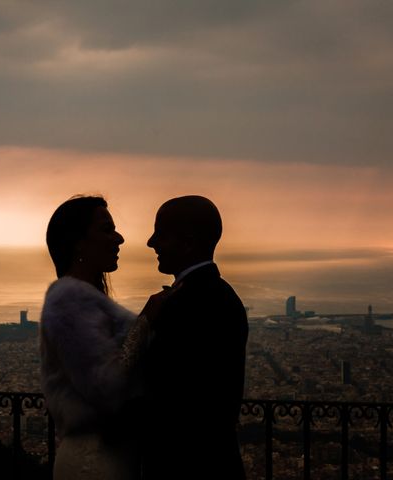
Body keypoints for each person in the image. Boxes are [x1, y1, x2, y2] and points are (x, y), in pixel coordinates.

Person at [40, 195, 159, 480]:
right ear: (79, 242)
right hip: (93, 462)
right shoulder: (69, 300)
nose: (119, 238)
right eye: (106, 230)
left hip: (107, 456)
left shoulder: (81, 299)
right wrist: (146, 322)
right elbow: (108, 385)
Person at [142, 195, 248, 479]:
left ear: (188, 242)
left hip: (185, 465)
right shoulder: (223, 295)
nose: (151, 243)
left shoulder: (184, 304)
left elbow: (162, 391)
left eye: (160, 234)